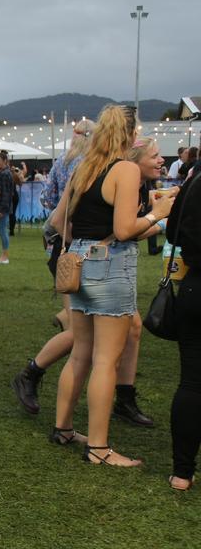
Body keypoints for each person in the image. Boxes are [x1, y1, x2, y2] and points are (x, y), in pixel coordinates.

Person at [48, 105, 174, 466]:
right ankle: (100, 448)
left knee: (81, 353)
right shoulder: (125, 169)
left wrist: (83, 243)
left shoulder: (84, 167)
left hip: (78, 263)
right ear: (131, 135)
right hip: (110, 266)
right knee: (106, 359)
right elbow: (123, 230)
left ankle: (64, 427)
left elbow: (59, 220)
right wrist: (157, 215)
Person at [12, 138, 167, 424]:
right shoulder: (108, 175)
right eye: (155, 155)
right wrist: (88, 247)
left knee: (129, 328)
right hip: (85, 263)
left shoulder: (122, 179)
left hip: (89, 260)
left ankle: (123, 398)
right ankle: (31, 373)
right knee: (86, 338)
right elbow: (68, 224)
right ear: (133, 159)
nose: (161, 160)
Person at [14, 119, 95, 412]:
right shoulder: (91, 165)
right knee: (81, 332)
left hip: (62, 245)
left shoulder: (63, 161)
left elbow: (48, 199)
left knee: (80, 326)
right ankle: (32, 373)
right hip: (76, 246)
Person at [166, 164, 201, 490]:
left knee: (192, 382)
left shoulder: (194, 183)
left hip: (194, 287)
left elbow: (171, 231)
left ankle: (182, 472)